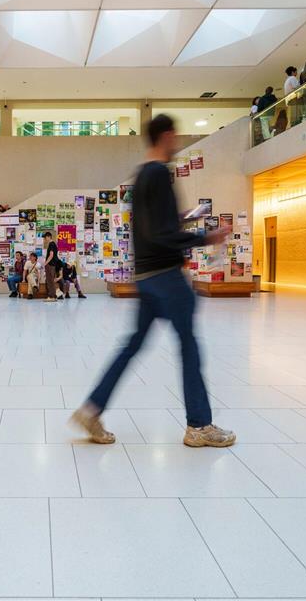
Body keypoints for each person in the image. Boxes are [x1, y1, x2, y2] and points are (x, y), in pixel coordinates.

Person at [70, 114, 235, 448]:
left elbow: (156, 225)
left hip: (145, 276)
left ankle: (92, 409)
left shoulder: (142, 176)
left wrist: (189, 219)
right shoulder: (159, 173)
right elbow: (161, 233)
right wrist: (206, 237)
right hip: (167, 277)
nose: (177, 143)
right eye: (176, 137)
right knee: (189, 345)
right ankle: (199, 425)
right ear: (167, 135)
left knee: (133, 345)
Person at [42, 231, 61, 302]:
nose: (45, 239)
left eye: (45, 238)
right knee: (50, 281)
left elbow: (51, 255)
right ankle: (53, 296)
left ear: (49, 237)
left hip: (50, 265)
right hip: (52, 265)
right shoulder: (53, 244)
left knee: (50, 281)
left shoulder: (51, 244)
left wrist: (45, 263)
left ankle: (52, 296)